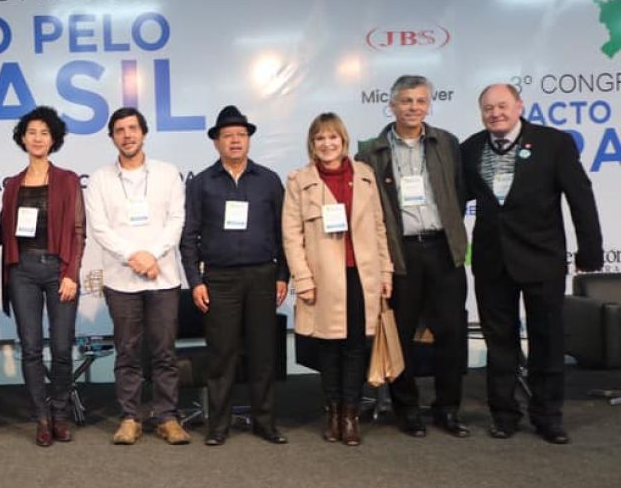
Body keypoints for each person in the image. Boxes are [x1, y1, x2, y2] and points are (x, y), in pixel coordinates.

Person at [461, 83, 603, 444]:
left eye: (503, 106)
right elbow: (456, 202)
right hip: (492, 262)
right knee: (499, 342)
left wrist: (590, 251)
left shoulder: (553, 143)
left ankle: (548, 416)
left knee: (547, 339)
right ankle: (504, 414)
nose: (496, 113)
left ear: (520, 106)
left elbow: (580, 197)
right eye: (488, 108)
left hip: (542, 258)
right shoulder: (470, 148)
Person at [355, 75, 471, 438]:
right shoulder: (370, 152)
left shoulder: (446, 143)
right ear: (391, 105)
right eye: (406, 101)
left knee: (451, 333)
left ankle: (447, 409)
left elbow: (460, 192)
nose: (413, 107)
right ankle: (407, 409)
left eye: (421, 101)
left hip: (442, 248)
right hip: (400, 253)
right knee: (400, 334)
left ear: (429, 105)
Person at [180, 105, 290, 446]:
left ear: (249, 140)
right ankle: (219, 425)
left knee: (262, 352)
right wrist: (195, 282)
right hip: (220, 279)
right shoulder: (201, 183)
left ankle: (264, 422)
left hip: (262, 275)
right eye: (227, 136)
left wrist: (282, 275)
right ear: (216, 143)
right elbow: (188, 238)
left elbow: (283, 230)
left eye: (241, 135)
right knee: (222, 355)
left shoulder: (268, 180)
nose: (235, 141)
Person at [283, 113, 393, 445]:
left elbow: (378, 227)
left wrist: (386, 271)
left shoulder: (365, 176)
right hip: (323, 280)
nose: (327, 144)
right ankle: (332, 412)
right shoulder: (299, 181)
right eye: (320, 138)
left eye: (333, 137)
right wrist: (302, 279)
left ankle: (350, 415)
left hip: (362, 275)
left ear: (343, 140)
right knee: (329, 347)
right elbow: (291, 236)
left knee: (356, 347)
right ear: (312, 144)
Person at [85, 107, 189, 445]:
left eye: (132, 128)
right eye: (119, 130)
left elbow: (176, 220)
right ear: (112, 137)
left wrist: (152, 254)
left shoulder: (167, 173)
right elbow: (99, 227)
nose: (127, 135)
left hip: (163, 278)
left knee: (164, 351)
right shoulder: (100, 178)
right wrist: (135, 257)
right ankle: (130, 417)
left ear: (143, 133)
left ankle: (167, 417)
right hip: (121, 280)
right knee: (127, 352)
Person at [0, 106, 86, 447]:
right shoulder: (12, 184)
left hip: (58, 270)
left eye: (44, 133)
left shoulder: (67, 179)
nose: (37, 138)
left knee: (62, 348)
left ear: (54, 140)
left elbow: (78, 231)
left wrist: (72, 273)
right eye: (31, 132)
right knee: (31, 349)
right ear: (23, 138)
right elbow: (3, 231)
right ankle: (42, 419)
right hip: (22, 271)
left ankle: (61, 413)